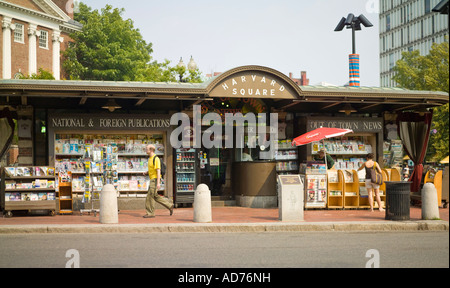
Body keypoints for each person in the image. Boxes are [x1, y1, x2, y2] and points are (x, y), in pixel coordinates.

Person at [143, 144, 173, 218]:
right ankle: (169, 205)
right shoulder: (150, 158)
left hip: (155, 180)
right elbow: (152, 169)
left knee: (150, 196)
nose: (146, 150)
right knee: (154, 196)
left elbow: (158, 171)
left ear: (151, 150)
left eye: (147, 149)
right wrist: (146, 172)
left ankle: (151, 213)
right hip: (152, 179)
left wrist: (158, 183)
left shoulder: (155, 158)